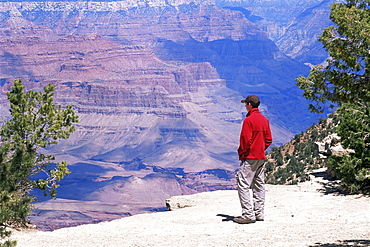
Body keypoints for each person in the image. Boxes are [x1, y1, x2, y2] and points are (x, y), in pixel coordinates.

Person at [233, 95, 273, 224]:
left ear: (250, 105)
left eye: (246, 104)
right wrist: (260, 148)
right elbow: (269, 140)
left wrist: (242, 152)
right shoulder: (264, 119)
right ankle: (259, 213)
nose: (245, 106)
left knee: (243, 185)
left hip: (249, 157)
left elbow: (245, 139)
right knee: (259, 185)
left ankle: (248, 215)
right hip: (260, 157)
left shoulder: (249, 120)